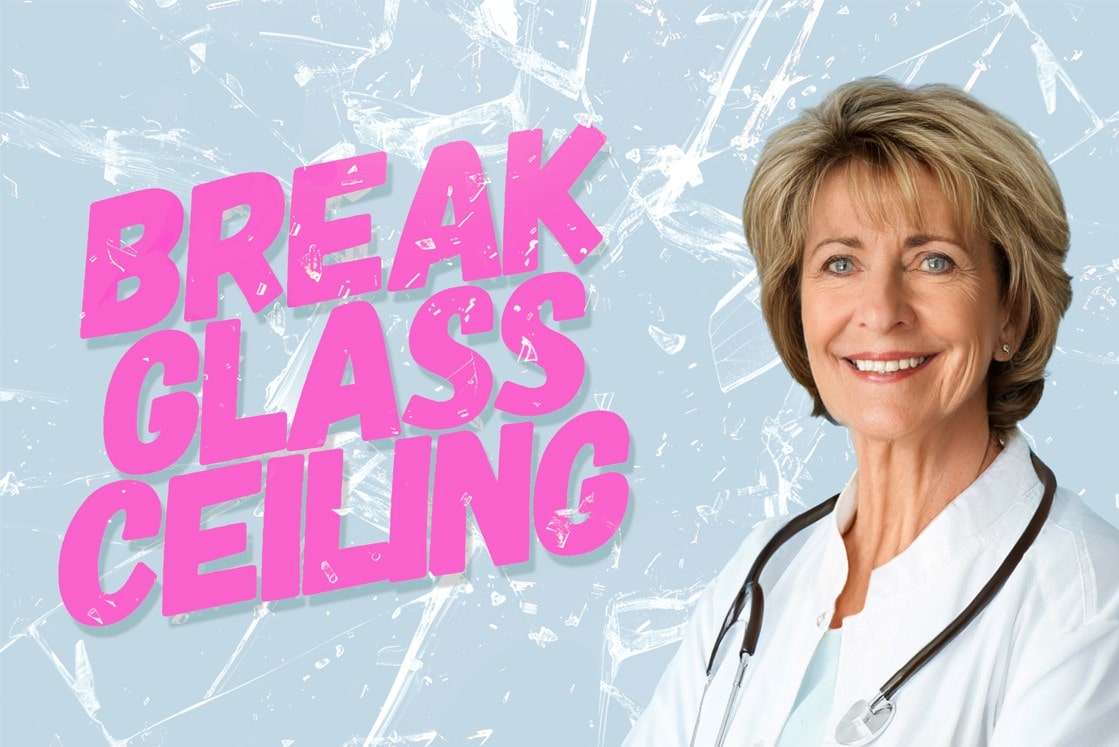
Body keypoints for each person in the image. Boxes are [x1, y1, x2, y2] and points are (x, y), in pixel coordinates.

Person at [624, 78, 1119, 746]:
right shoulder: (761, 571)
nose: (881, 310)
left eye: (933, 260)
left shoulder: (1087, 598)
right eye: (840, 262)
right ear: (795, 308)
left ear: (1010, 307)